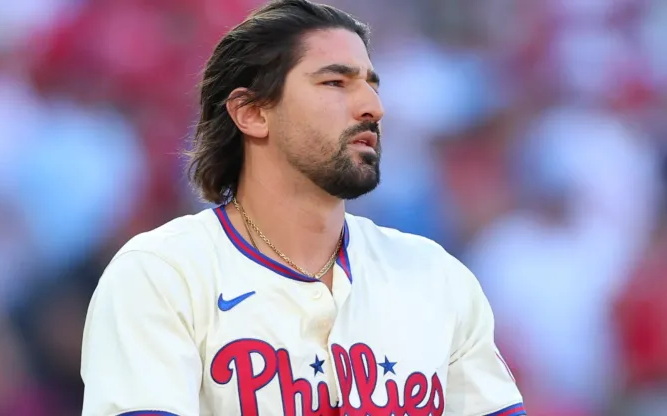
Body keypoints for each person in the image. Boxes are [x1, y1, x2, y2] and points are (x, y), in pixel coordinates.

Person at [79, 0, 526, 415]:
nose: (372, 107)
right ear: (251, 113)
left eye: (372, 85)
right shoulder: (163, 274)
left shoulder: (436, 276)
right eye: (335, 82)